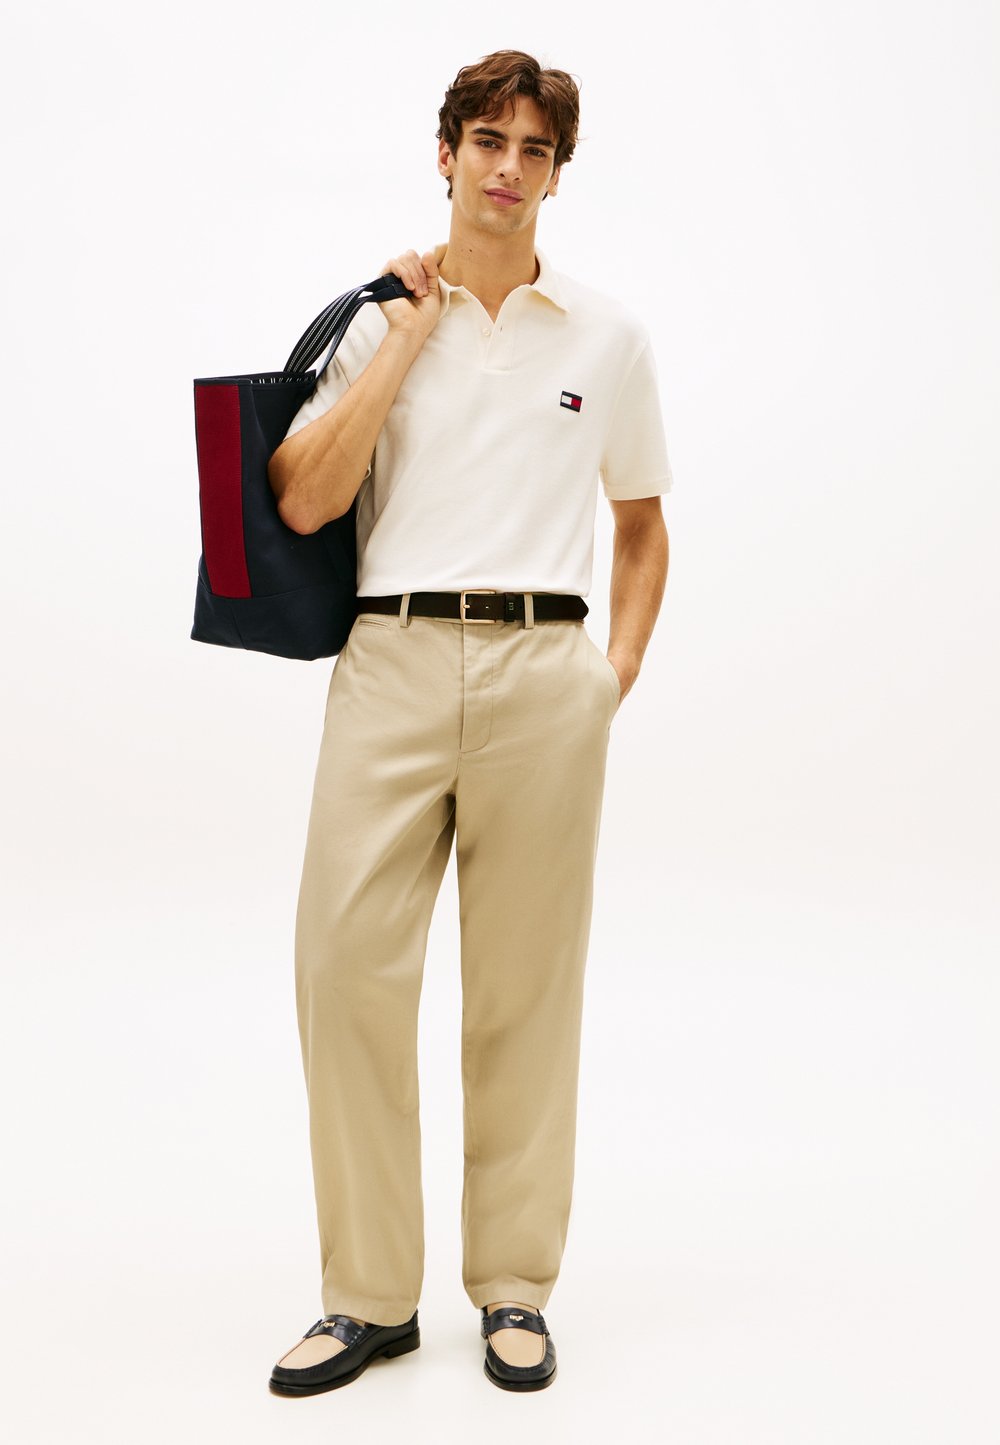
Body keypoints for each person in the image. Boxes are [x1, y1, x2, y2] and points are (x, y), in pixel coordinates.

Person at [265, 48, 672, 1396]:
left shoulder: (605, 339)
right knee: (342, 967)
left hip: (545, 673)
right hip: (388, 658)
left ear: (557, 173)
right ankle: (368, 1296)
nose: (508, 167)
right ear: (445, 155)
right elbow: (305, 496)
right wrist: (406, 339)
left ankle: (512, 1287)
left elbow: (642, 525)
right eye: (487, 141)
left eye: (533, 149)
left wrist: (607, 676)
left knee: (526, 991)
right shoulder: (377, 321)